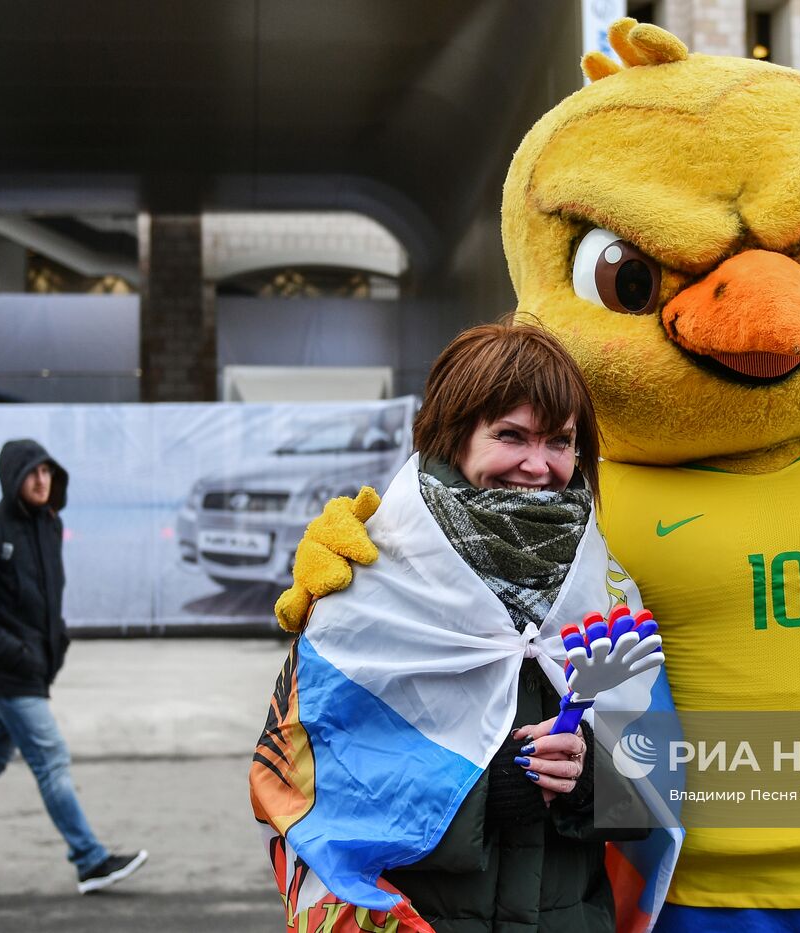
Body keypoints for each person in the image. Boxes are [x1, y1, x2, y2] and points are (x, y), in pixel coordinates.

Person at [251, 323, 664, 933]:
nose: (538, 464)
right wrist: (483, 789)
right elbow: (296, 780)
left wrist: (586, 788)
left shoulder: (605, 586)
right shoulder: (371, 577)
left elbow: (658, 780)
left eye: (560, 441)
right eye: (511, 436)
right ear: (455, 438)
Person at [0, 440, 147, 894]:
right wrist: (15, 651)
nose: (41, 481)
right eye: (31, 473)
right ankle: (90, 858)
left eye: (47, 472)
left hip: (33, 668)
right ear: (11, 479)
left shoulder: (48, 527)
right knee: (51, 758)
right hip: (8, 671)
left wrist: (54, 645)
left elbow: (46, 599)